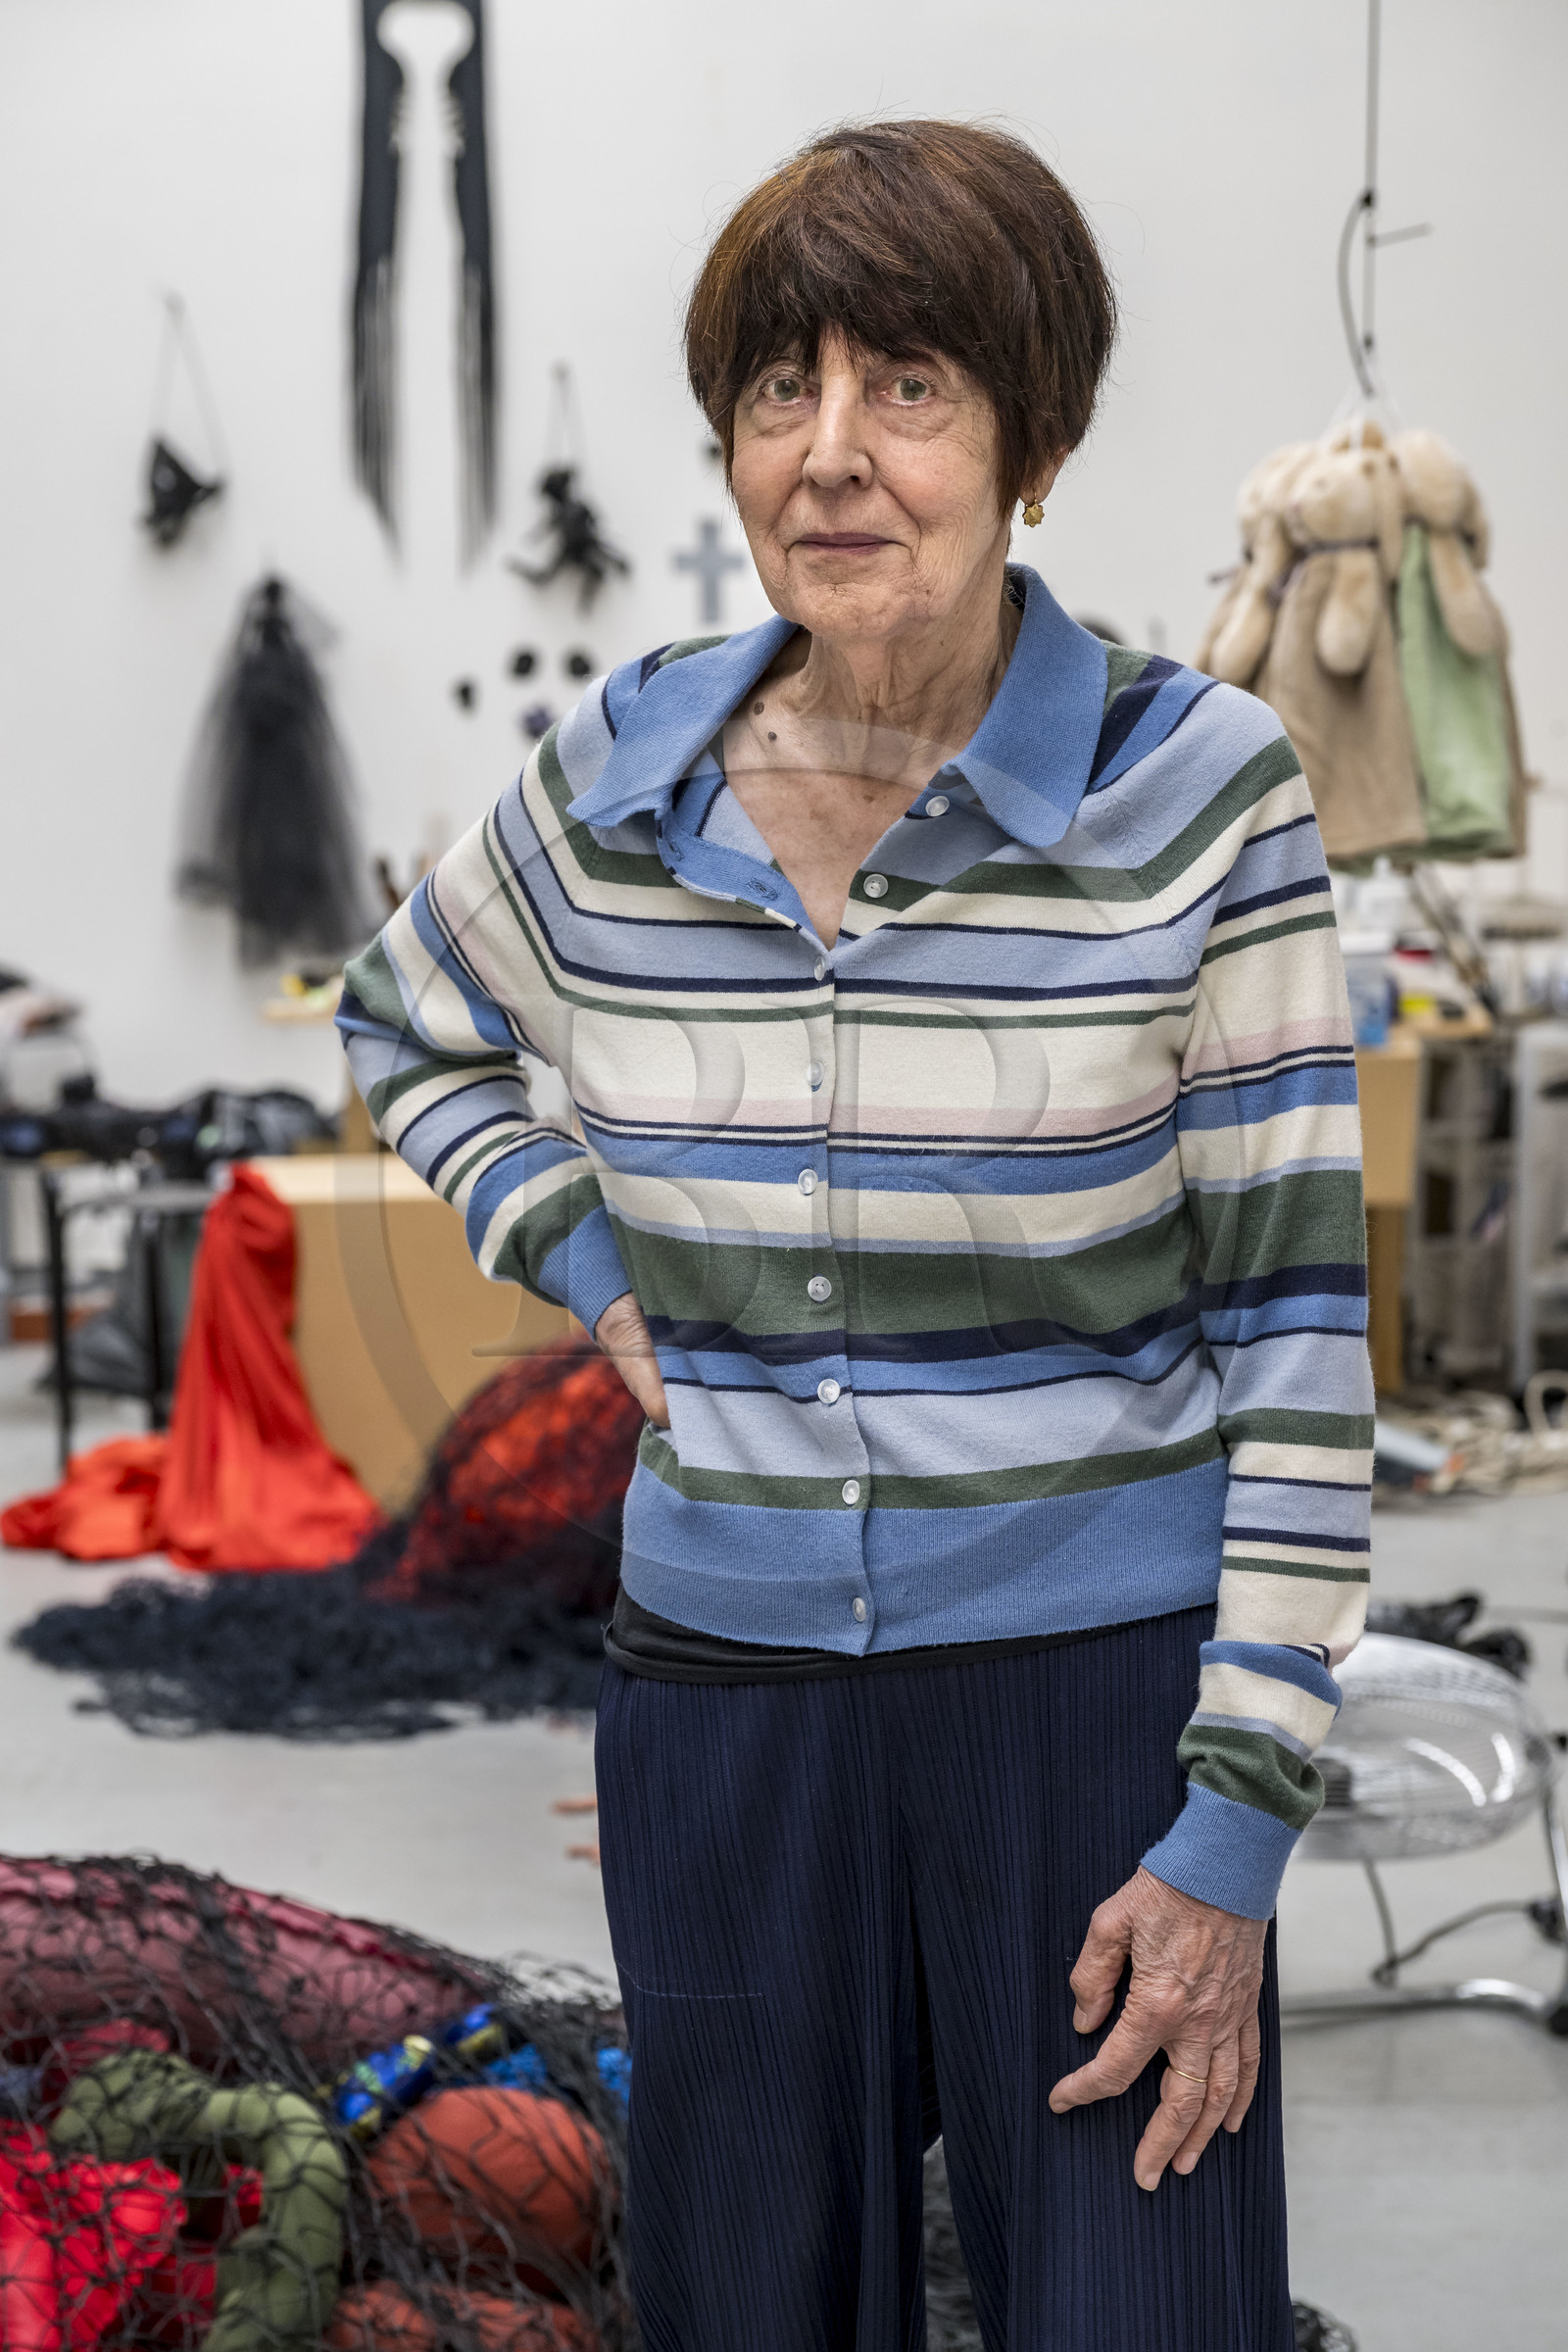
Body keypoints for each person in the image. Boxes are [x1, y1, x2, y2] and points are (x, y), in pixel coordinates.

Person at [339, 119, 1371, 2352]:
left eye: (905, 386)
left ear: (1033, 440)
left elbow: (1293, 1340)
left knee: (1139, 2306)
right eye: (773, 392)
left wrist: (1234, 1831)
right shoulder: (615, 789)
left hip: (1094, 1715)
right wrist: (584, 1263)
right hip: (722, 1714)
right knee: (746, 2306)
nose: (828, 455)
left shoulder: (1197, 792)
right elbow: (401, 1022)